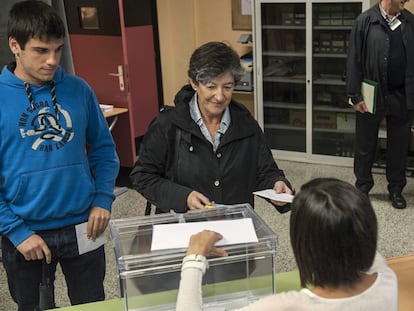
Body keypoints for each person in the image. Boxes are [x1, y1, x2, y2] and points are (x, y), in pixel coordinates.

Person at [0, 1, 120, 310]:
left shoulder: (79, 89)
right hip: (26, 231)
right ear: (15, 45)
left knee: (92, 304)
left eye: (58, 49)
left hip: (84, 224)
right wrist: (15, 230)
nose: (53, 60)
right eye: (41, 51)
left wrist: (102, 199)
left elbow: (105, 151)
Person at [176, 178, 398, 310]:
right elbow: (363, 246)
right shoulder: (387, 279)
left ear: (306, 246)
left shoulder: (287, 306)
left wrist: (194, 257)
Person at [130, 41, 293, 214]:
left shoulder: (246, 125)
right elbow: (143, 176)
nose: (220, 96)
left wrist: (277, 183)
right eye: (211, 87)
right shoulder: (168, 125)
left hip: (233, 228)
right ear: (193, 83)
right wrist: (184, 197)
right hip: (183, 231)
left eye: (228, 87)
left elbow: (265, 171)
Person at [346, 0, 414, 209]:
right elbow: (353, 59)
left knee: (399, 146)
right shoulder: (365, 21)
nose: (406, 2)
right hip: (371, 94)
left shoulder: (410, 22)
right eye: (401, 0)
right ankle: (363, 187)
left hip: (401, 95)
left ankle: (395, 189)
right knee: (365, 144)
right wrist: (355, 95)